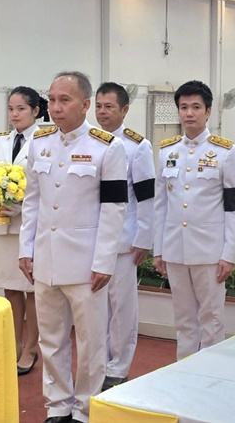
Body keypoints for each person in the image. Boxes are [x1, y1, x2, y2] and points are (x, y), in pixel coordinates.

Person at [19, 72, 127, 423]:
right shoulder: (39, 143)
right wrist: (26, 249)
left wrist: (104, 261)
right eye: (51, 100)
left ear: (85, 105)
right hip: (46, 259)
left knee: (91, 342)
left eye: (64, 100)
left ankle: (84, 409)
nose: (55, 107)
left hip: (86, 263)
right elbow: (32, 201)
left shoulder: (107, 147)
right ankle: (58, 406)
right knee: (51, 339)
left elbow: (114, 208)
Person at [153, 80, 235, 360]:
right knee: (183, 319)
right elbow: (160, 204)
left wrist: (229, 253)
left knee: (212, 319)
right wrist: (159, 249)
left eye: (195, 107)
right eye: (183, 107)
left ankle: (211, 371)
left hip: (209, 251)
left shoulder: (225, 152)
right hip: (175, 248)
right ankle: (184, 370)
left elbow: (234, 207)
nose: (189, 113)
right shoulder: (167, 151)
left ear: (208, 111)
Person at [94, 82, 155, 391]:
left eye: (109, 107)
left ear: (125, 110)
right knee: (95, 306)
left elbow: (146, 197)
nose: (102, 112)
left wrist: (144, 238)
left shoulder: (137, 146)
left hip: (123, 240)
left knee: (121, 308)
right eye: (98, 106)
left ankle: (118, 365)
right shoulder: (90, 142)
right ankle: (97, 361)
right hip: (91, 238)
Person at [0, 86, 43, 376]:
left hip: (31, 223)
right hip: (3, 223)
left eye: (21, 108)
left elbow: (44, 184)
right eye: (11, 109)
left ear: (36, 111)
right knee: (10, 286)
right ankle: (14, 344)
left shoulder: (45, 140)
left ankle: (31, 347)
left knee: (32, 288)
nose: (15, 114)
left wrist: (21, 204)